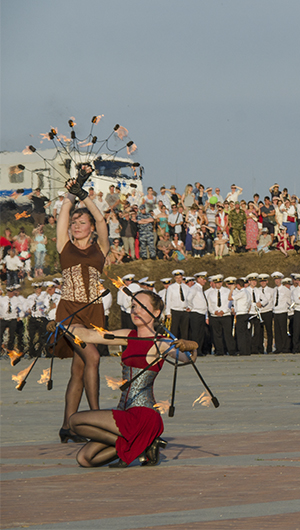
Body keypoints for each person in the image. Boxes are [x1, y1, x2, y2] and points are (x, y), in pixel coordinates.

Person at [62, 291, 197, 467]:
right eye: (133, 306)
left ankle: (141, 443)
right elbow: (91, 336)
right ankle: (143, 445)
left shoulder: (161, 342)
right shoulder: (128, 335)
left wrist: (191, 348)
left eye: (142, 307)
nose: (135, 311)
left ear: (156, 313)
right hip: (124, 412)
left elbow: (186, 358)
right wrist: (62, 326)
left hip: (143, 416)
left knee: (74, 421)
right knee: (85, 459)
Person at [53, 164, 110, 443]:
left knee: (79, 369)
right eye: (74, 223)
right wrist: (73, 193)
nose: (76, 225)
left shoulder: (101, 248)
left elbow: (101, 219)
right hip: (69, 313)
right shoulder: (64, 245)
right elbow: (64, 212)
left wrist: (85, 195)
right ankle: (96, 420)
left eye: (81, 222)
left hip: (93, 313)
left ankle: (68, 425)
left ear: (91, 228)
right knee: (93, 358)